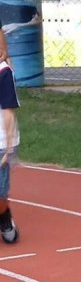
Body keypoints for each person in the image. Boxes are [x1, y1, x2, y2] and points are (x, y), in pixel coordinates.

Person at [0, 34, 20, 245]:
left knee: (0, 194)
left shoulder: (4, 73)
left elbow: (8, 111)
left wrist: (8, 147)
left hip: (1, 140)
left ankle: (4, 217)